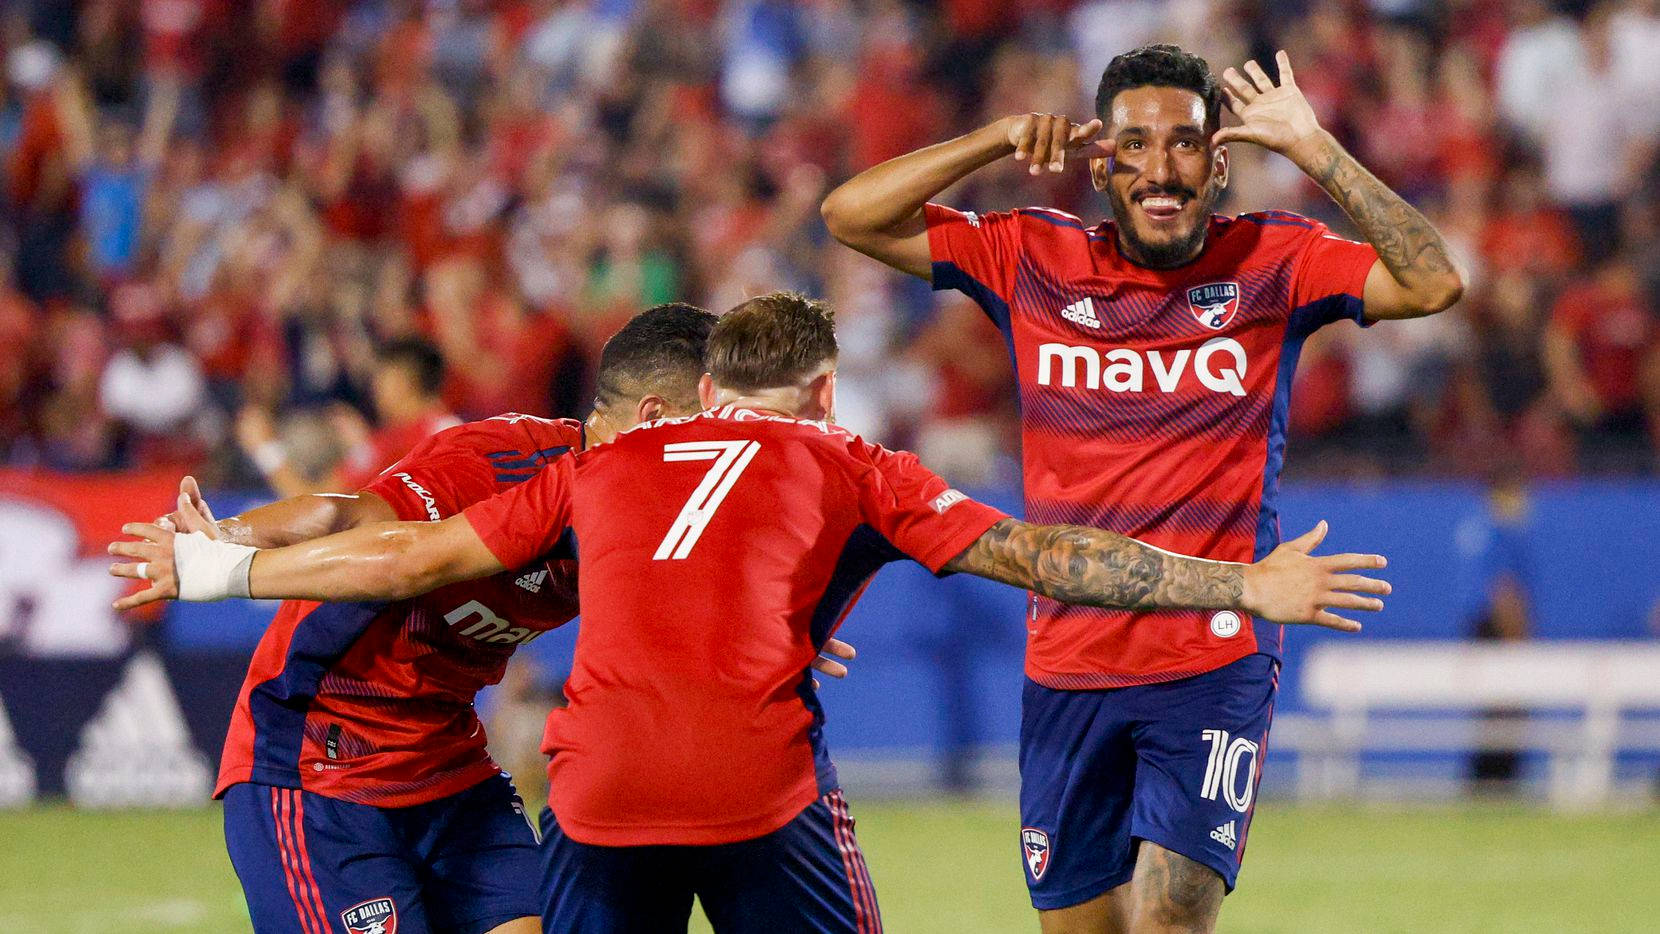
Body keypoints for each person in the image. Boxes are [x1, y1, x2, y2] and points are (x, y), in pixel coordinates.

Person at [112, 292, 1390, 933]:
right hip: (316, 762)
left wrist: (761, 613)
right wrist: (220, 553)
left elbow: (428, 566)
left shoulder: (600, 475)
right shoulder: (534, 460)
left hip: (470, 768)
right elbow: (362, 532)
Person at [820, 44, 1461, 933]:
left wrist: (1316, 148)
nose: (1161, 169)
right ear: (1101, 161)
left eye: (1186, 145)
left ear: (1220, 161)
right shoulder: (1031, 256)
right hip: (1069, 664)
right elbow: (849, 215)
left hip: (1214, 659)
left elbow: (1434, 281)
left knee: (1167, 919)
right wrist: (996, 141)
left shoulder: (1277, 260)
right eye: (1134, 146)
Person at [140, 304, 866, 934]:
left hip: (448, 762)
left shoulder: (659, 512)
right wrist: (224, 543)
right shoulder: (502, 463)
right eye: (713, 419)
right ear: (651, 417)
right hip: (315, 760)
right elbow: (350, 515)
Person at [236, 338, 463, 497]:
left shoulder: (394, 442)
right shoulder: (454, 428)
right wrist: (363, 446)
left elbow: (313, 502)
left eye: (380, 378)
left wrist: (264, 447)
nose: (374, 388)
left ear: (401, 381)